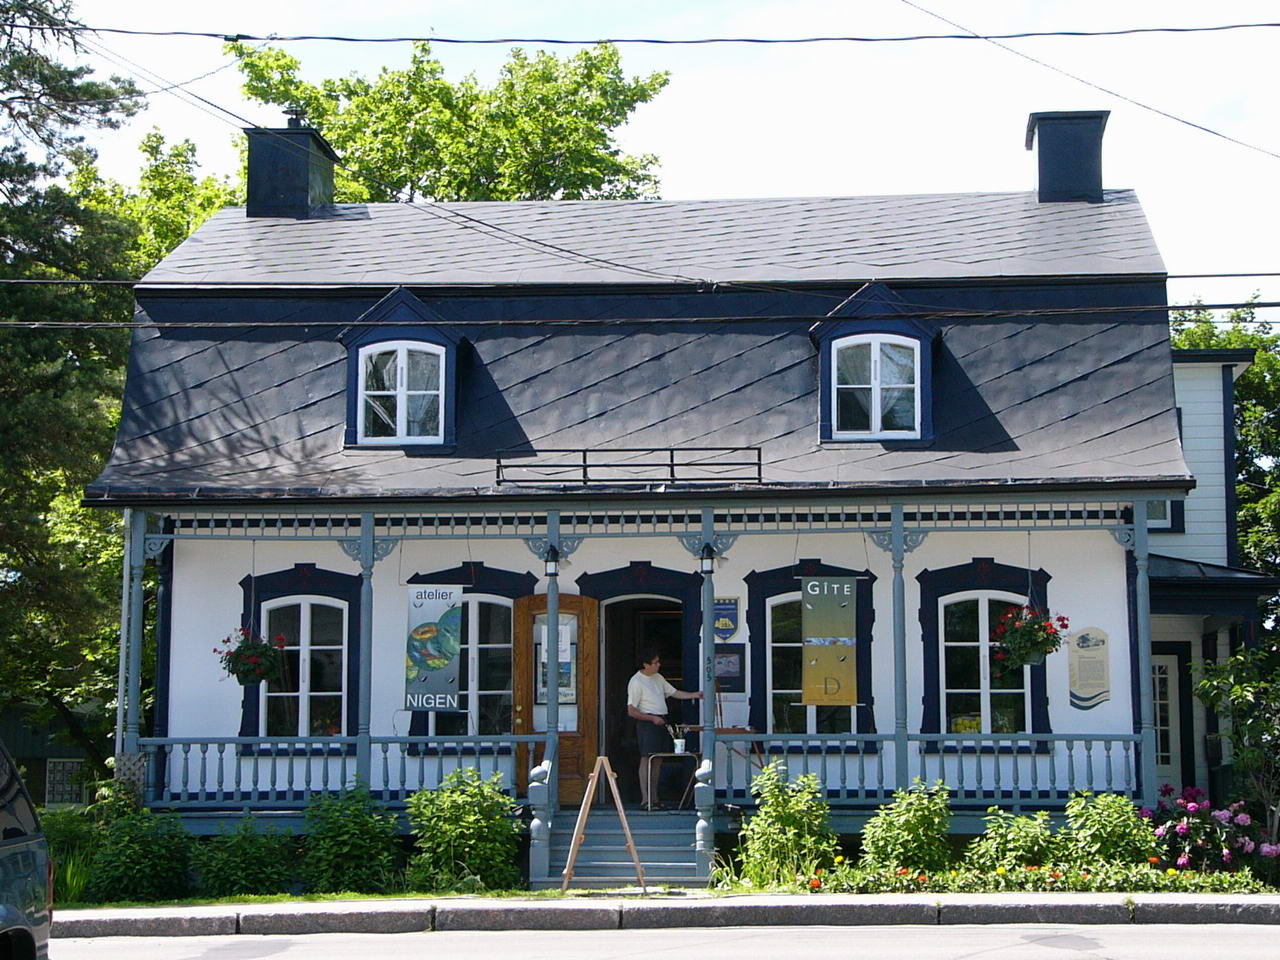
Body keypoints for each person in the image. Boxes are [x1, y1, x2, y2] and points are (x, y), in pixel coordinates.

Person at [626, 647, 703, 810]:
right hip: (648, 723)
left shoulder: (658, 678)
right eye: (655, 663)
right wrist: (652, 718)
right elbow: (631, 710)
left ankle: (655, 798)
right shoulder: (636, 681)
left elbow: (674, 693)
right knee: (647, 758)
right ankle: (645, 799)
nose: (659, 665)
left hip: (661, 720)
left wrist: (694, 695)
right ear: (646, 664)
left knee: (658, 760)